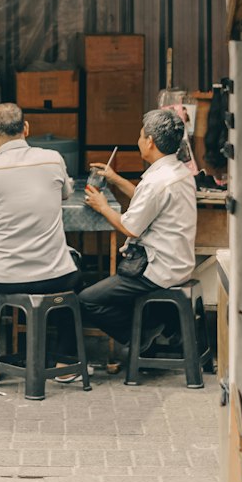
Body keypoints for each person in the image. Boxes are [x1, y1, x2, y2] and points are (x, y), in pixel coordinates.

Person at [0, 102, 83, 382]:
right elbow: (65, 194)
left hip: (3, 277)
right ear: (26, 129)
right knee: (72, 282)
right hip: (55, 275)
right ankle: (64, 362)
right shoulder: (53, 159)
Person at [78, 108, 197, 354]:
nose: (138, 141)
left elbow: (130, 228)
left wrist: (102, 207)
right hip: (179, 263)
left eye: (141, 136)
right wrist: (116, 179)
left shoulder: (155, 181)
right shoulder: (179, 172)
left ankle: (140, 337)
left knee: (88, 299)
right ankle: (163, 328)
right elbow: (150, 203)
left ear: (150, 142)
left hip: (158, 269)